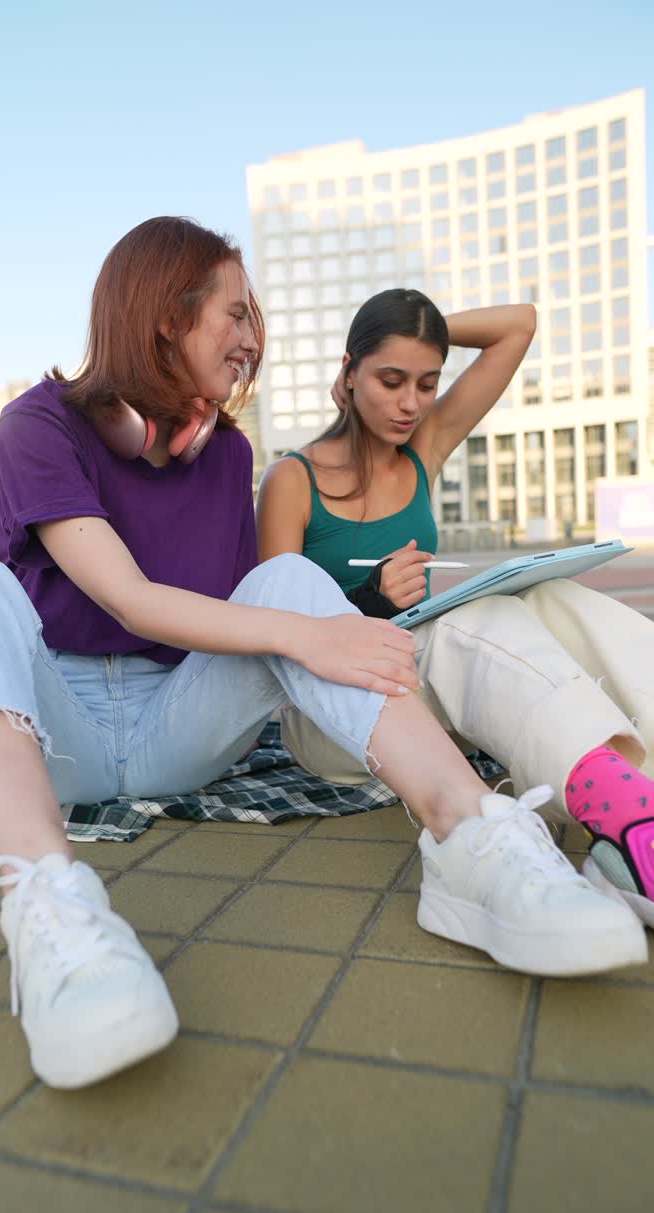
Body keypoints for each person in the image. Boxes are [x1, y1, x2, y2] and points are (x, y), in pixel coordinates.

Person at [0, 227, 646, 1095]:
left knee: (288, 576)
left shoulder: (228, 454)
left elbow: (268, 607)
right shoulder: (37, 425)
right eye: (237, 312)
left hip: (179, 723)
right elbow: (125, 596)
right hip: (62, 738)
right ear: (165, 318)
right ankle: (53, 914)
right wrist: (308, 633)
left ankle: (473, 838)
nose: (253, 336)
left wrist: (333, 617)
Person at [257, 287, 654, 938]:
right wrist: (372, 603)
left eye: (426, 380)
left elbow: (519, 325)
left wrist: (421, 333)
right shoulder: (291, 482)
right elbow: (275, 637)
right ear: (348, 374)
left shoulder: (424, 446)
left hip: (427, 693)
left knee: (554, 599)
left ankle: (637, 799)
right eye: (390, 379)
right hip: (336, 715)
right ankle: (630, 823)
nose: (411, 402)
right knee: (466, 625)